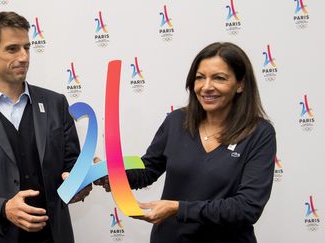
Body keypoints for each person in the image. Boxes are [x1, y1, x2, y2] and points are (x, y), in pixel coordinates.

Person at [96, 42, 276, 243]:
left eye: (219, 78)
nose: (206, 87)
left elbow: (247, 208)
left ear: (240, 84)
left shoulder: (259, 133)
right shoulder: (176, 121)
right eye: (200, 78)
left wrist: (178, 209)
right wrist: (111, 173)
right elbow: (148, 170)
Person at [0, 11, 90, 243]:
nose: (24, 57)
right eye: (12, 49)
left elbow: (73, 166)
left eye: (27, 47)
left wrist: (78, 184)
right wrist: (3, 209)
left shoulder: (55, 103)